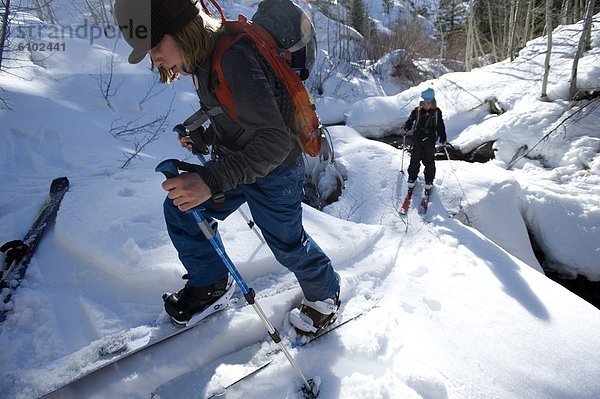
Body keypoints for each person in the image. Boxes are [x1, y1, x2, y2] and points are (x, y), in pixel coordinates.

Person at [113, 0, 340, 335]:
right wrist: (203, 139)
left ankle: (326, 294)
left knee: (286, 244)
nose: (154, 58)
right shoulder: (202, 60)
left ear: (183, 30)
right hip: (240, 164)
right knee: (182, 209)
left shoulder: (234, 57)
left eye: (156, 45)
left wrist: (209, 180)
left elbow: (275, 141)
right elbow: (235, 115)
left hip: (276, 172)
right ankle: (212, 286)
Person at [401, 88, 447, 191]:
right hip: (417, 138)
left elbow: (440, 126)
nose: (426, 106)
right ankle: (412, 177)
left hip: (430, 139)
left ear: (433, 103)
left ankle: (429, 180)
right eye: (424, 103)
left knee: (429, 160)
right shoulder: (417, 111)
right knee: (415, 159)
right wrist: (405, 128)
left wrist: (443, 137)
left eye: (428, 103)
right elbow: (410, 121)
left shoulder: (437, 112)